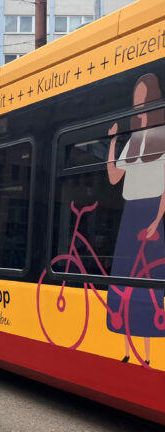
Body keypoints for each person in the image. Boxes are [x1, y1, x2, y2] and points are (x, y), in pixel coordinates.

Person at [106, 73, 165, 365]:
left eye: (143, 102)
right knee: (124, 284)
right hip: (130, 216)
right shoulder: (132, 142)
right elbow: (114, 177)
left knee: (148, 289)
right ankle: (128, 352)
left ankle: (149, 358)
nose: (138, 109)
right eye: (136, 103)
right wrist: (113, 142)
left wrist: (156, 221)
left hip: (151, 213)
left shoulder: (162, 137)